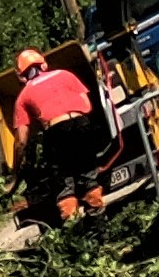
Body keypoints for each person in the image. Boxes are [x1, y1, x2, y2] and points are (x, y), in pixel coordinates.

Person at [10, 45, 108, 224]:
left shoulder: (23, 96)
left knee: (64, 184)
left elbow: (21, 140)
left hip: (56, 133)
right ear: (44, 64)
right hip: (82, 125)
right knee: (88, 176)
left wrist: (16, 170)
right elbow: (87, 106)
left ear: (21, 75)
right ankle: (100, 225)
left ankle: (75, 231)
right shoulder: (65, 74)